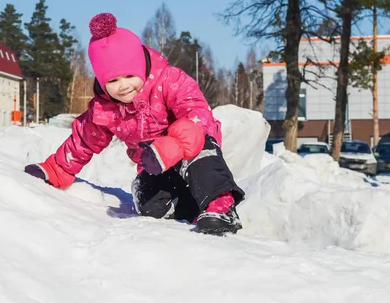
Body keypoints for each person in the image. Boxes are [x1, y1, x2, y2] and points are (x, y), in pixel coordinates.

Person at [24, 13, 244, 234]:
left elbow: (197, 114)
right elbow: (83, 140)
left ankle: (221, 207)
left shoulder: (169, 81)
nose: (123, 86)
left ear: (139, 65)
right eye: (112, 80)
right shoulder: (105, 108)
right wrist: (57, 169)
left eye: (129, 75)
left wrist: (175, 144)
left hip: (190, 149)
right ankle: (190, 207)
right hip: (156, 165)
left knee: (200, 153)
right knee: (146, 199)